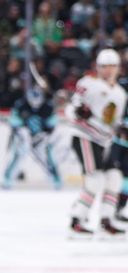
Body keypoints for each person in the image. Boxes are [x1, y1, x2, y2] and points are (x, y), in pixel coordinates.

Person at [66, 48, 127, 236]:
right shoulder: (88, 84)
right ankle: (77, 218)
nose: (108, 70)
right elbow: (72, 107)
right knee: (96, 179)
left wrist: (121, 129)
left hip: (104, 140)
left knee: (114, 176)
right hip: (85, 136)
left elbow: (112, 121)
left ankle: (106, 219)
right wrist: (78, 111)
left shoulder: (120, 93)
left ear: (118, 68)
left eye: (112, 66)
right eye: (104, 66)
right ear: (98, 68)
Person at [2, 87, 61, 189]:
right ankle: (7, 179)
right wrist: (22, 130)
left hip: (41, 138)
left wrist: (44, 134)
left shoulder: (47, 107)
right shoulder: (20, 105)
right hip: (24, 137)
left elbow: (53, 123)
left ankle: (56, 180)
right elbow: (13, 120)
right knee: (18, 156)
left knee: (48, 157)